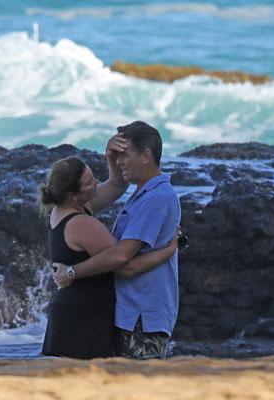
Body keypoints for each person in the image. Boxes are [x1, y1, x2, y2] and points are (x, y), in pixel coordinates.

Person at [54, 121, 181, 360]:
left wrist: (71, 272)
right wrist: (111, 158)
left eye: (125, 155)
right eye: (117, 156)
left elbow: (124, 261)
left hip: (144, 317)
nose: (120, 161)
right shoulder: (143, 193)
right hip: (132, 314)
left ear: (146, 156)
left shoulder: (157, 197)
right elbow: (116, 184)